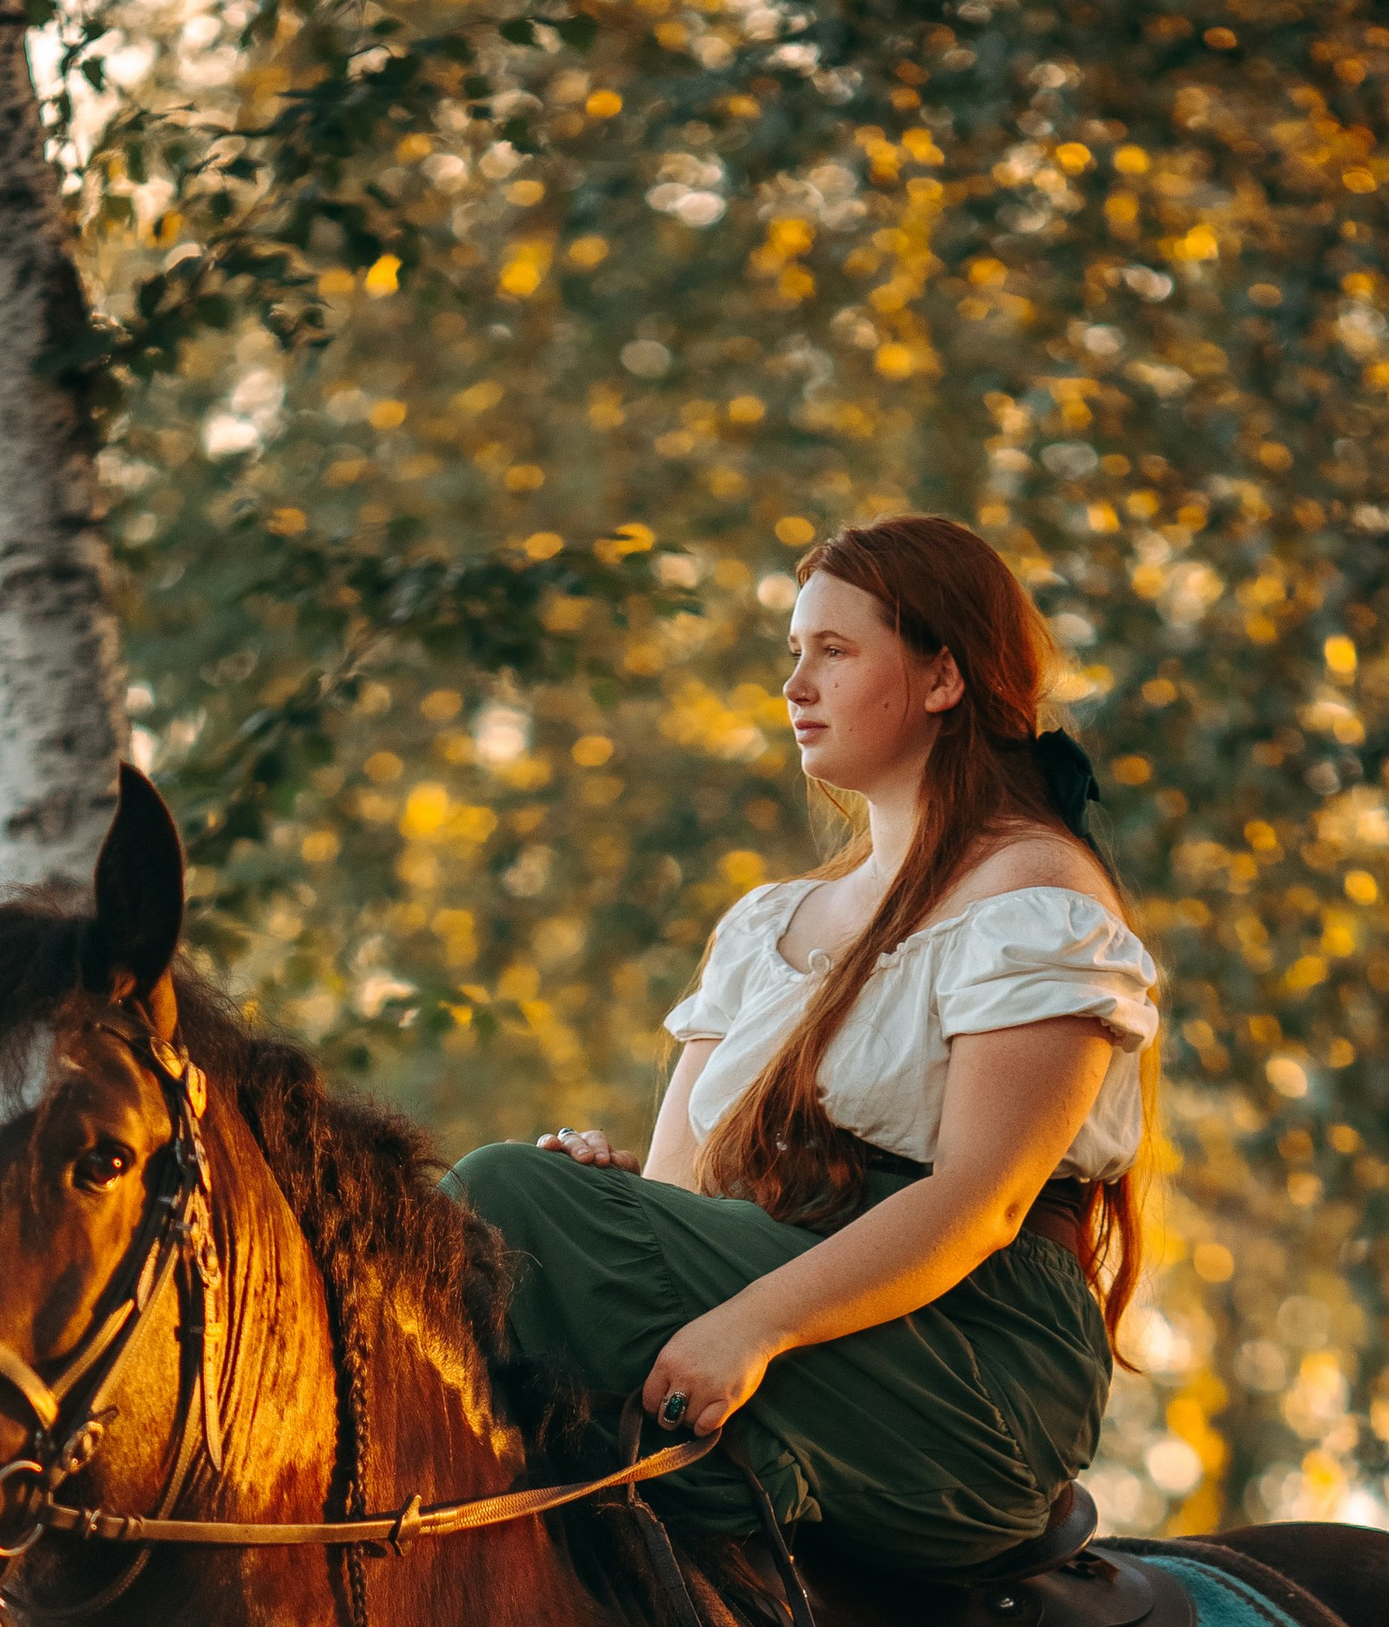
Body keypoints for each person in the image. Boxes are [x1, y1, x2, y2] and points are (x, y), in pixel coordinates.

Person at [445, 511, 1160, 1573]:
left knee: (508, 1194)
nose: (794, 686)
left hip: (967, 1362)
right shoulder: (765, 925)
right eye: (794, 652)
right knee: (508, 1214)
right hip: (770, 1290)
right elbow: (683, 1192)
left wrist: (753, 1327)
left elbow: (984, 1203)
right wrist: (612, 1196)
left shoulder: (1033, 897)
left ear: (943, 678)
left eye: (834, 650)